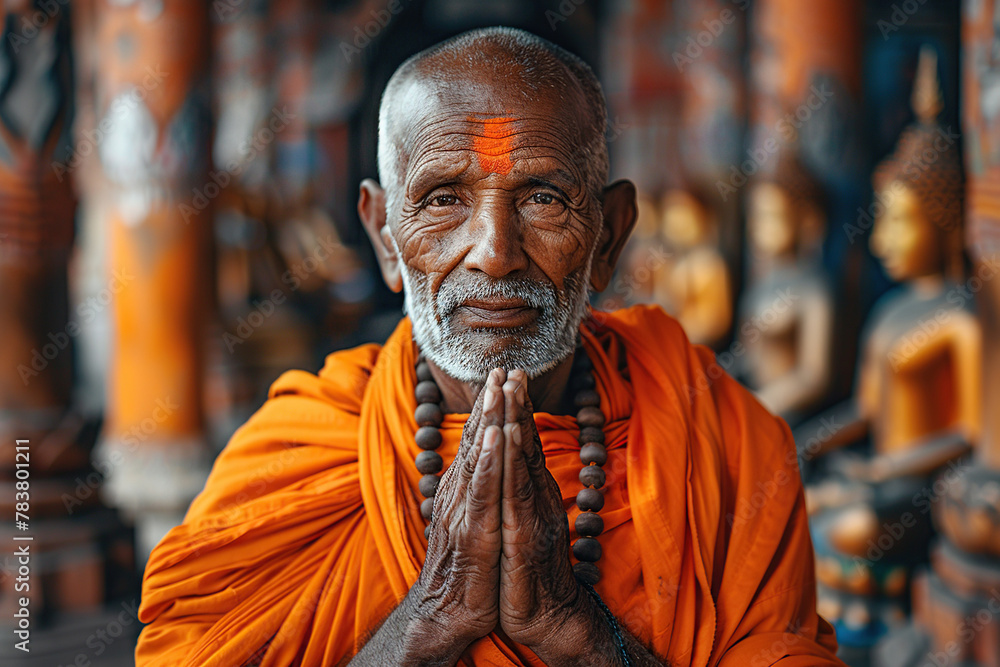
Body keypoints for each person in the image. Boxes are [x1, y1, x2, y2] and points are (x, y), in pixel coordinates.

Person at [136, 27, 844, 667]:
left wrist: (576, 631)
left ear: (610, 235)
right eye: (444, 198)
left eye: (542, 197)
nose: (495, 253)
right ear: (384, 235)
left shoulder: (721, 440)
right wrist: (429, 620)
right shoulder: (299, 452)